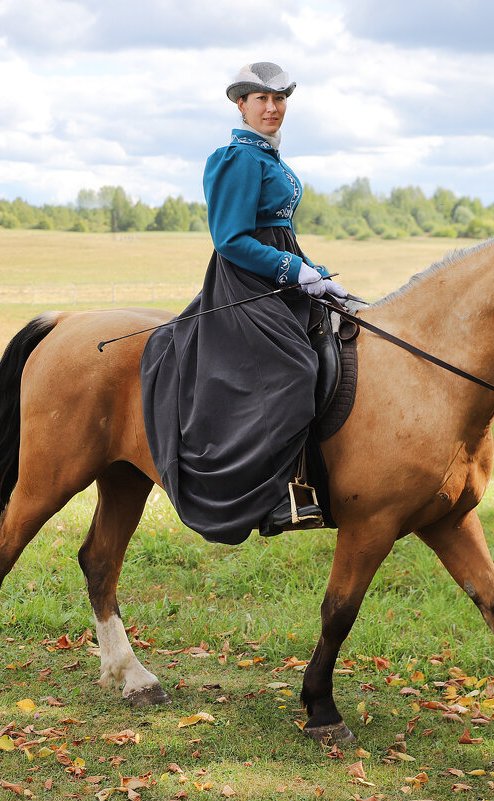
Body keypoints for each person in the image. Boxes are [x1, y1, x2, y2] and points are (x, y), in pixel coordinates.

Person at [140, 62, 347, 546]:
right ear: (241, 105)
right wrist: (291, 271)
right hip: (245, 285)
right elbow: (231, 238)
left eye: (279, 100)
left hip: (279, 276)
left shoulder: (271, 159)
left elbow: (281, 233)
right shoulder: (235, 158)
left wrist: (316, 273)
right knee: (294, 370)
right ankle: (276, 495)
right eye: (262, 100)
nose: (272, 108)